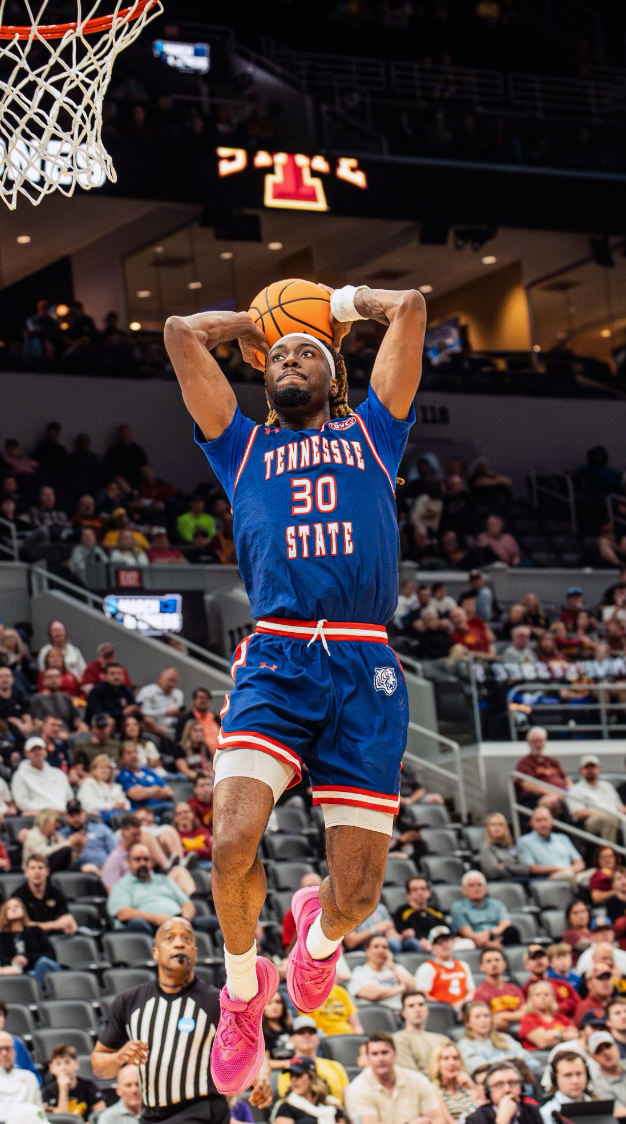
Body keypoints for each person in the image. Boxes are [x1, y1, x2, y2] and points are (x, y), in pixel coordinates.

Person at [166, 283, 427, 1092]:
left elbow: (413, 308)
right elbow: (180, 333)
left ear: (335, 374)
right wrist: (266, 319)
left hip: (364, 664)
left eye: (304, 353)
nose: (288, 358)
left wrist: (335, 307)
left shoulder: (377, 433)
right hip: (278, 657)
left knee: (356, 895)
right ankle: (245, 993)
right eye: (278, 355)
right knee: (231, 837)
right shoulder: (239, 445)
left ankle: (316, 939)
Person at [91, 919, 224, 1121]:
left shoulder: (216, 1002)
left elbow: (248, 1047)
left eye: (186, 938)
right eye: (169, 938)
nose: (179, 943)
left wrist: (262, 1077)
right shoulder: (130, 1001)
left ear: (195, 952)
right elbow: (99, 1066)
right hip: (152, 1114)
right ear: (155, 952)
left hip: (200, 1110)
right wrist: (119, 1057)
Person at [344, 1034, 447, 1124]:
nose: (380, 1059)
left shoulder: (417, 1080)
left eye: (385, 1052)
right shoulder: (357, 1088)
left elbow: (437, 1118)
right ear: (368, 1058)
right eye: (374, 1054)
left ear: (395, 1053)